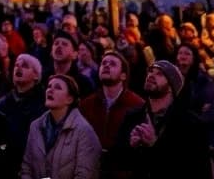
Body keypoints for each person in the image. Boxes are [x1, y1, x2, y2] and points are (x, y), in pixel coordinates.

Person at [78, 49, 144, 179]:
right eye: (104, 63)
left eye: (113, 64)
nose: (106, 66)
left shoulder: (137, 105)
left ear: (123, 75)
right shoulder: (86, 104)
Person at [20, 75, 101, 179]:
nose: (50, 90)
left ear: (70, 99)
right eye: (49, 86)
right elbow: (27, 167)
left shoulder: (84, 131)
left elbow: (85, 174)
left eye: (57, 87)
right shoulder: (35, 126)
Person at [0, 52, 47, 176]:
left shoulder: (43, 102)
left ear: (36, 76)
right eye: (16, 65)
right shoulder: (4, 101)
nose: (18, 68)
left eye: (24, 66)